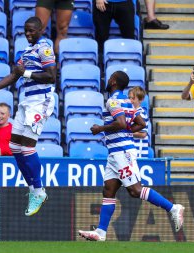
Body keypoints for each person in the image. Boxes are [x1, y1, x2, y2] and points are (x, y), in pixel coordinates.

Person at [78, 71, 184, 241]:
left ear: (113, 81)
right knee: (108, 190)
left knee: (135, 190)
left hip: (122, 152)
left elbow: (120, 123)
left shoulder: (113, 101)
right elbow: (141, 124)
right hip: (115, 153)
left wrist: (100, 129)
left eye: (110, 77)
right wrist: (127, 132)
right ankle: (101, 232)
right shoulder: (127, 102)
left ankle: (173, 208)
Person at [0, 17, 56, 216]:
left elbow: (51, 75)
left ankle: (38, 190)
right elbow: (15, 74)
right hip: (27, 101)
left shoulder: (45, 47)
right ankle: (33, 189)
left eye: (31, 31)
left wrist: (26, 73)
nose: (28, 34)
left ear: (41, 29)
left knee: (27, 147)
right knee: (14, 147)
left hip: (40, 102)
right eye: (25, 31)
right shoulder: (27, 51)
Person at [128, 86, 150, 158]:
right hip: (130, 152)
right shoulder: (129, 112)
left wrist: (127, 133)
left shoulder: (141, 114)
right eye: (129, 98)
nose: (130, 100)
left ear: (140, 100)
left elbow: (143, 134)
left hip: (138, 154)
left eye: (133, 98)